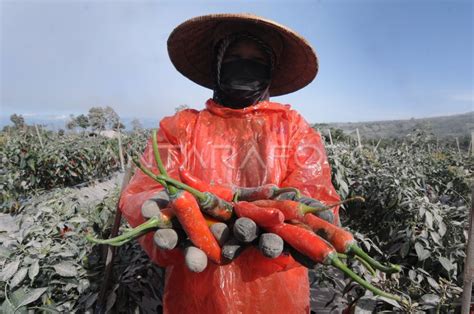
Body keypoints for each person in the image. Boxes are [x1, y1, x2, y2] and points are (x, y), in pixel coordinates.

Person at [119, 13, 341, 313]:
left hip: (275, 294)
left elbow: (314, 198)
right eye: (235, 56)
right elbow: (146, 190)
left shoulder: (294, 129)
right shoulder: (179, 128)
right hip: (197, 290)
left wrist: (297, 225)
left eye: (257, 60)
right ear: (218, 64)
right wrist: (167, 212)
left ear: (270, 70)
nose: (244, 65)